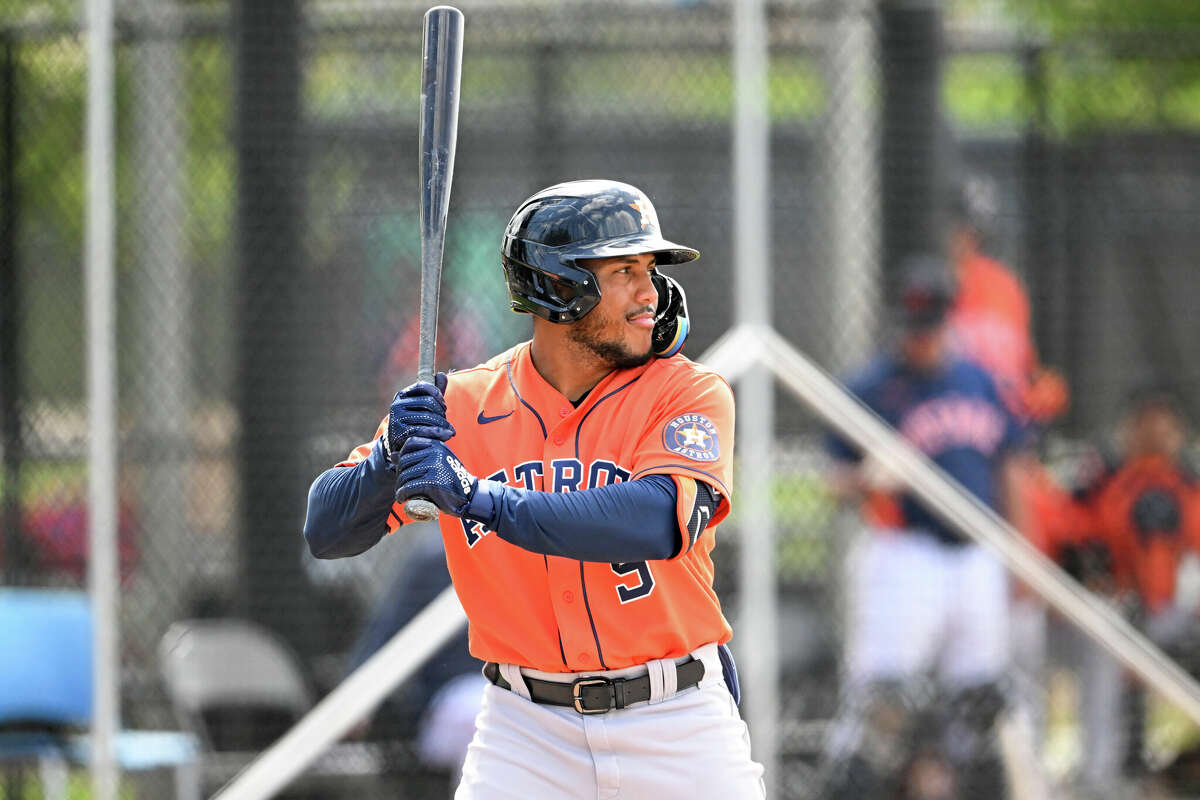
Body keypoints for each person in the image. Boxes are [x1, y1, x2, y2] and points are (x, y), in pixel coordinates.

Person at [303, 179, 764, 799]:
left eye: (649, 270)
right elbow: (326, 531)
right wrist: (387, 460)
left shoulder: (686, 392)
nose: (648, 292)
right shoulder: (462, 404)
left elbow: (656, 521)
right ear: (558, 286)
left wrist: (479, 497)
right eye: (624, 270)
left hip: (675, 722)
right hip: (525, 732)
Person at [821, 255, 1030, 800]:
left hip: (978, 554)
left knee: (981, 704)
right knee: (879, 699)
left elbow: (1009, 463)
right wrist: (866, 477)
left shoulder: (978, 379)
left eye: (930, 323)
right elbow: (830, 479)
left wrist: (1020, 552)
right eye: (913, 324)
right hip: (904, 555)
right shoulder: (872, 385)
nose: (921, 337)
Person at [1049, 385, 1200, 789]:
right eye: (1144, 421)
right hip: (1116, 614)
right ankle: (1109, 777)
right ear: (1127, 428)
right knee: (1110, 637)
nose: (1154, 431)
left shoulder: (1190, 485)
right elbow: (1074, 550)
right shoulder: (1101, 484)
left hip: (1179, 617)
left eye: (1163, 421)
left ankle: (1178, 770)